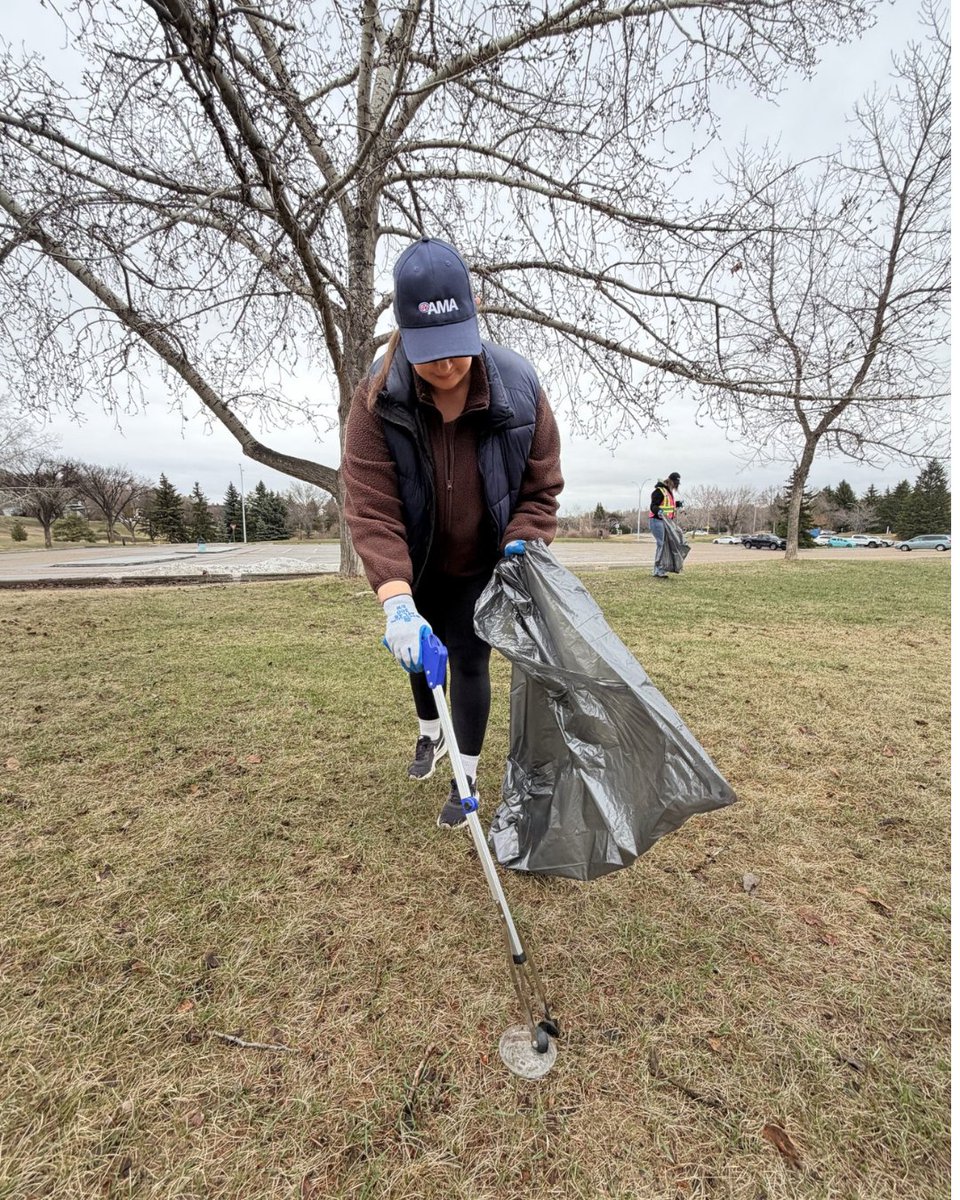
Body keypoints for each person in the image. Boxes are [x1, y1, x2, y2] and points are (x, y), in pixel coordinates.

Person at [342, 237, 564, 829]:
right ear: (404, 335)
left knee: (468, 660)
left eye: (456, 349)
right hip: (416, 562)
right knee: (419, 658)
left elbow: (542, 489)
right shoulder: (375, 398)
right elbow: (371, 506)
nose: (445, 365)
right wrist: (395, 600)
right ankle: (429, 732)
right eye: (429, 352)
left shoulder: (520, 389)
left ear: (475, 314)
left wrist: (523, 539)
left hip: (483, 563)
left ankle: (464, 777)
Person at [649, 472, 683, 579]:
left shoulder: (669, 492)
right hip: (657, 520)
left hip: (666, 521)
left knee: (664, 544)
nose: (676, 485)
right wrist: (658, 511)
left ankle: (659, 570)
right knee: (662, 544)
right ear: (671, 481)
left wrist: (678, 504)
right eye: (675, 483)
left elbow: (668, 505)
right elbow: (653, 505)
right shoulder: (659, 491)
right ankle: (658, 570)